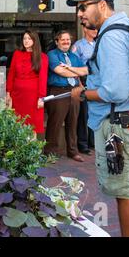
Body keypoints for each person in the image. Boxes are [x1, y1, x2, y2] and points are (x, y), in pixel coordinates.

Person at [68, 0, 129, 237]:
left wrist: (82, 93)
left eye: (84, 7)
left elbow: (115, 91)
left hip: (119, 125)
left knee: (124, 193)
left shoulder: (112, 35)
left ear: (102, 5)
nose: (80, 14)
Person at [44, 30, 88, 162]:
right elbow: (59, 71)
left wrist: (70, 68)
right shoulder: (52, 54)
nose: (66, 42)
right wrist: (75, 70)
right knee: (55, 123)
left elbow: (85, 70)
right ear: (57, 42)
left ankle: (72, 151)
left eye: (68, 40)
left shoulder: (73, 57)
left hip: (74, 91)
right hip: (58, 91)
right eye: (63, 40)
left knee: (73, 122)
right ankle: (50, 152)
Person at [6, 30, 48, 135]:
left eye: (29, 38)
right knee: (17, 123)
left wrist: (41, 97)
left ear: (35, 40)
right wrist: (8, 93)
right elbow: (11, 74)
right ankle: (19, 150)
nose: (26, 41)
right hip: (17, 95)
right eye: (25, 38)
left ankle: (30, 150)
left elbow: (43, 78)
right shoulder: (17, 54)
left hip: (33, 97)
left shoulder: (42, 57)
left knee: (32, 125)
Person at [72, 25, 98, 155]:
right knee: (84, 114)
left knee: (95, 112)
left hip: (97, 81)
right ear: (85, 30)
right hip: (84, 80)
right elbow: (73, 66)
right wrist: (79, 84)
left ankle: (93, 142)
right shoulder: (78, 45)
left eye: (96, 29)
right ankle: (83, 144)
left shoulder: (99, 44)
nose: (95, 31)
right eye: (92, 28)